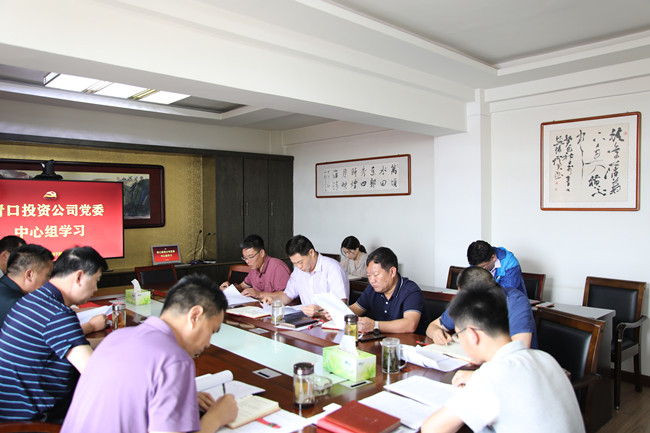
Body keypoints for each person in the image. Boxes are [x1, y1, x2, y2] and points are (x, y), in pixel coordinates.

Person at [61, 274, 238, 433]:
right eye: (212, 330)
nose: (208, 343)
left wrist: (180, 396)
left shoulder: (116, 337)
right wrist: (216, 417)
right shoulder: (175, 360)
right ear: (195, 316)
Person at [421, 285, 584, 433]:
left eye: (458, 335)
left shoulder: (492, 377)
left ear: (472, 334)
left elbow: (431, 429)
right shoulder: (545, 358)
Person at [0, 246, 107, 421]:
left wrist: (112, 342)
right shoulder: (58, 314)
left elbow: (75, 348)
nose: (95, 288)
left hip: (12, 412)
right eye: (96, 280)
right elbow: (94, 374)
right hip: (35, 421)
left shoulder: (32, 300)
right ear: (79, 277)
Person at [426, 266, 537, 348]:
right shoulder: (466, 299)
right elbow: (433, 326)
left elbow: (519, 349)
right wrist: (436, 333)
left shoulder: (516, 302)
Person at [261, 235, 349, 318]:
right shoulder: (298, 271)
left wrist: (320, 310)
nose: (299, 266)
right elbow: (288, 295)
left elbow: (342, 303)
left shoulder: (332, 268)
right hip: (307, 320)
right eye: (294, 263)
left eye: (300, 262)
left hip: (330, 321)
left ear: (311, 252)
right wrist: (274, 301)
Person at [349, 247, 426, 334]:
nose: (371, 280)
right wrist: (338, 312)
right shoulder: (373, 288)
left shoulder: (411, 291)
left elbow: (410, 324)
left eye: (376, 274)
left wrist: (375, 325)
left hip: (407, 341)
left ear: (392, 272)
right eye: (369, 275)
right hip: (379, 340)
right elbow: (355, 309)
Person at [219, 234, 290, 299]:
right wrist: (230, 288)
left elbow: (286, 295)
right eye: (245, 258)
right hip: (260, 306)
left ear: (262, 253)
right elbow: (242, 286)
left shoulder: (278, 267)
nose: (247, 261)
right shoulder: (254, 268)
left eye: (250, 257)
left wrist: (259, 294)